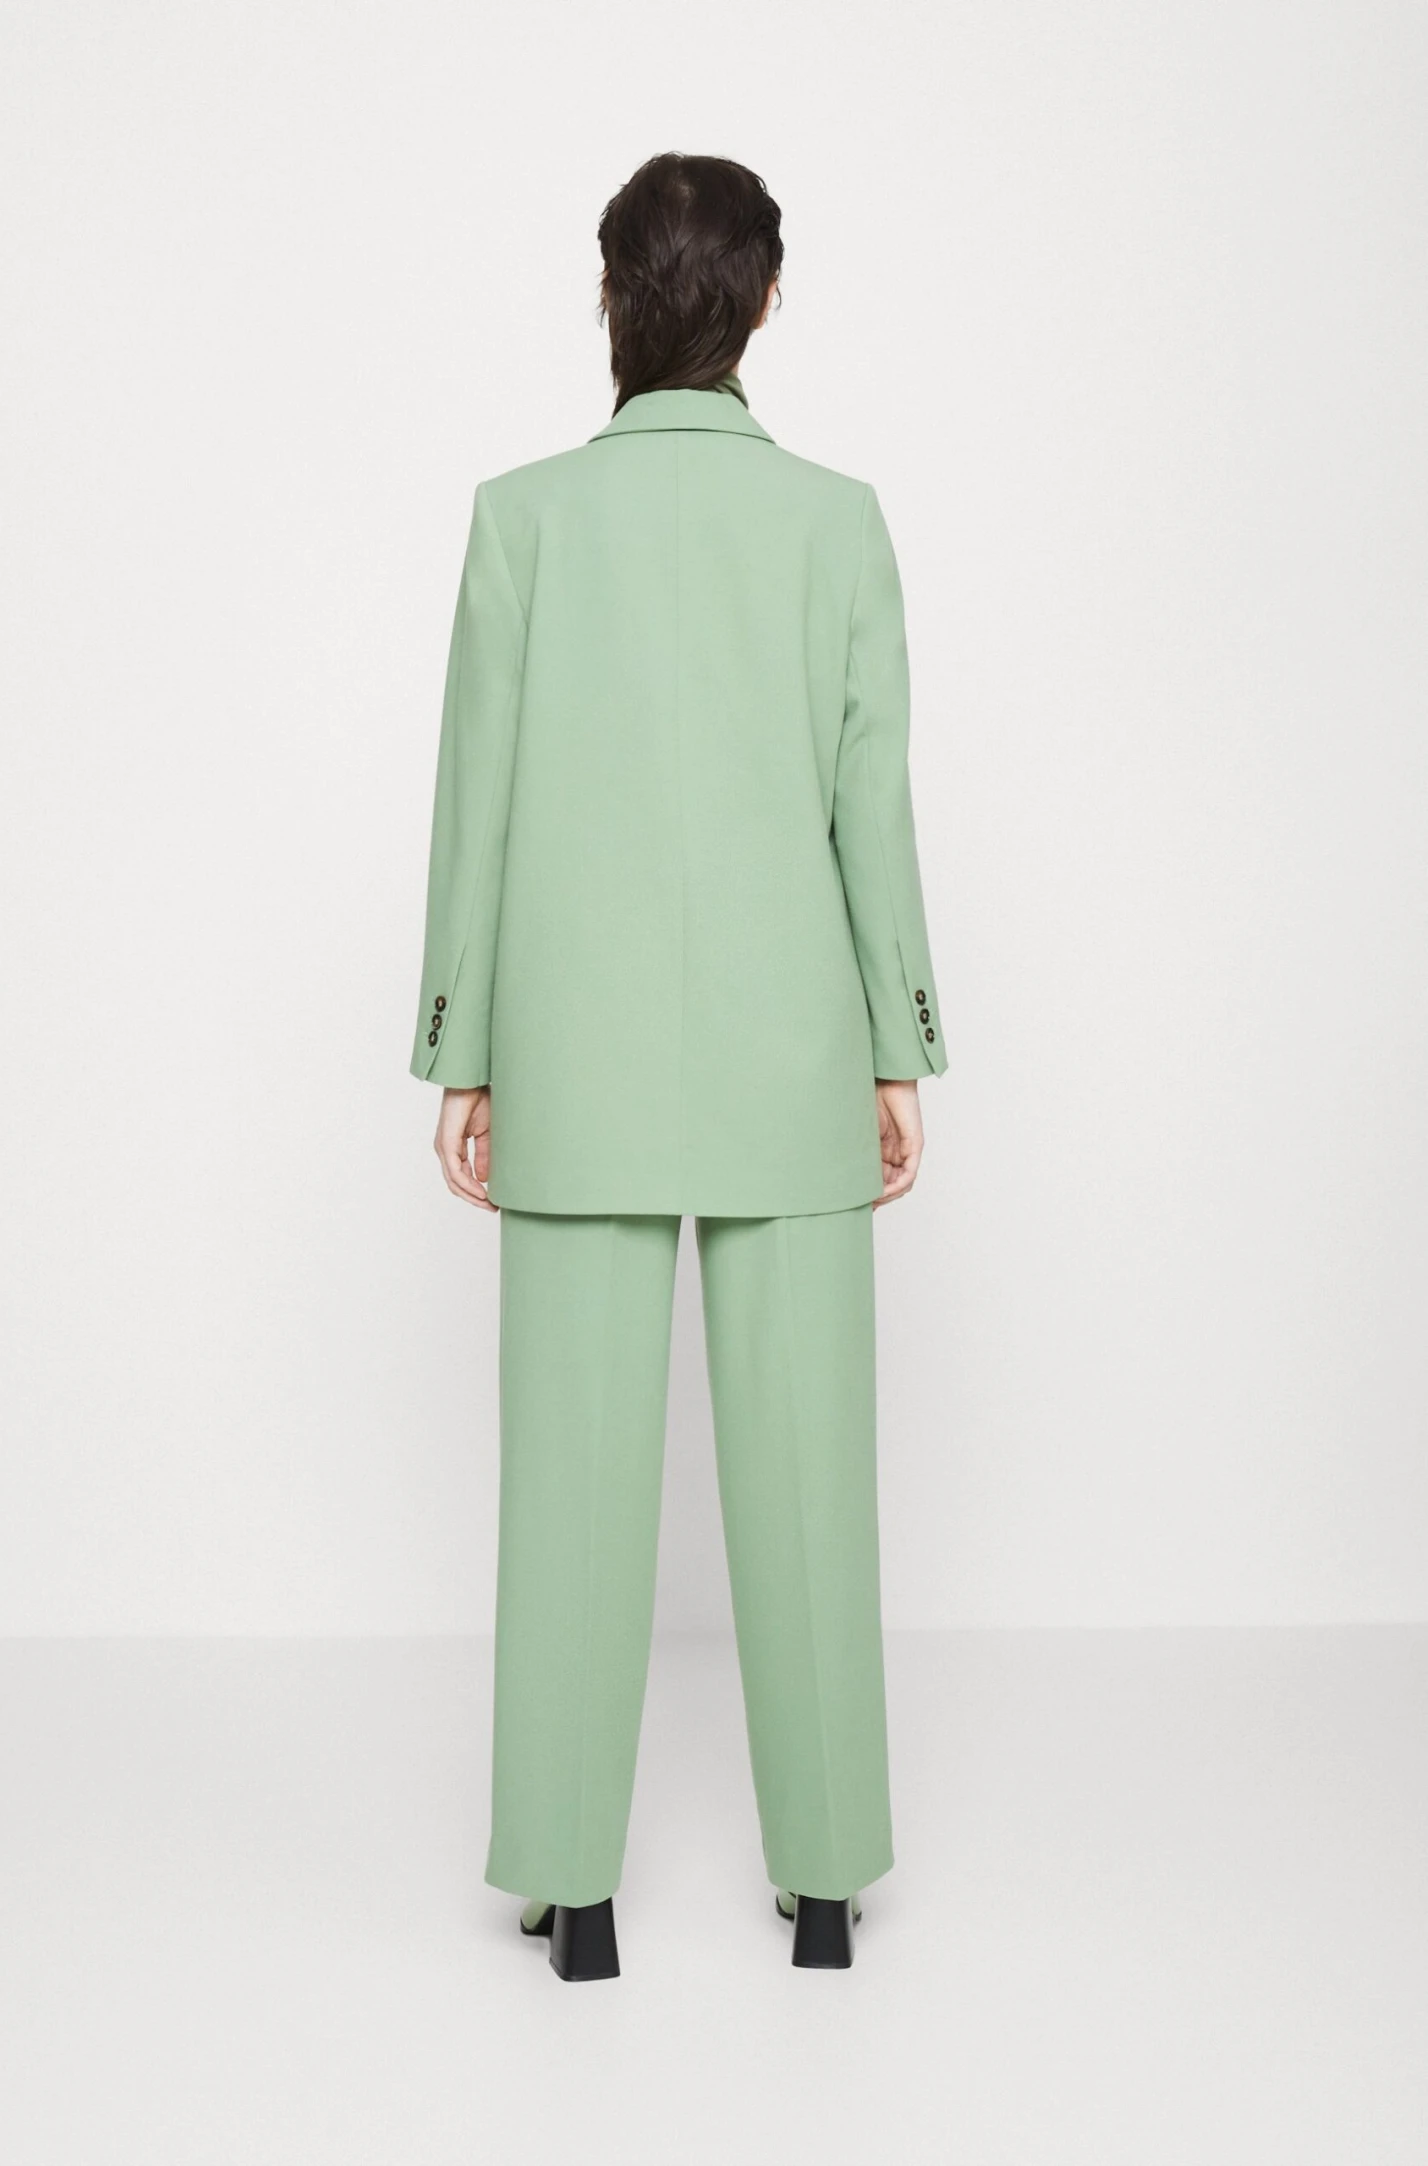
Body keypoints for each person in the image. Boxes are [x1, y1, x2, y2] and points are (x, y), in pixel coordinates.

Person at [408, 152, 947, 1981]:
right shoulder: (838, 524)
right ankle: (827, 1884)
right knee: (810, 1475)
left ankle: (574, 1889)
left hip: (577, 1054)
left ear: (609, 298)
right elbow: (869, 805)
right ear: (767, 302)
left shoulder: (523, 521)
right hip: (795, 1050)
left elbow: (477, 802)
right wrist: (897, 1042)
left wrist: (463, 1047)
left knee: (568, 1479)